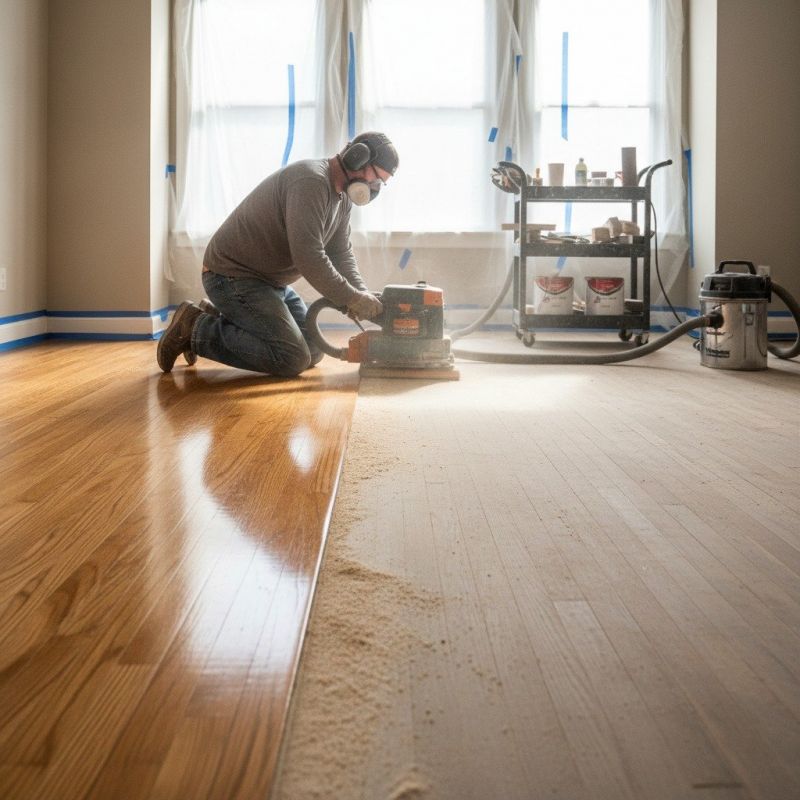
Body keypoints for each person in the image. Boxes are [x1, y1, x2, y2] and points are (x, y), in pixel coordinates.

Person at [157, 131, 399, 376]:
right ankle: (195, 328)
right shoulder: (310, 182)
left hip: (270, 283)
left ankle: (223, 316)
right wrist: (351, 298)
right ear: (358, 157)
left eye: (381, 184)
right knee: (291, 358)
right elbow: (309, 257)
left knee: (314, 350)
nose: (374, 188)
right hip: (231, 276)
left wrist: (360, 294)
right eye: (376, 178)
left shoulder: (342, 197)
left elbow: (340, 253)